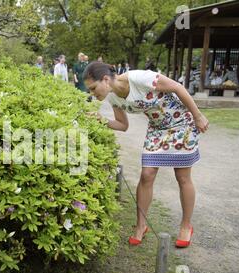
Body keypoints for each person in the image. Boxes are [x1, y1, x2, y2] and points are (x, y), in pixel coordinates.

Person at [84, 62, 209, 248]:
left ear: (105, 79)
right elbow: (122, 125)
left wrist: (198, 116)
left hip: (181, 122)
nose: (92, 93)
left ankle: (185, 226)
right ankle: (141, 226)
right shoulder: (113, 97)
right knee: (146, 174)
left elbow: (177, 87)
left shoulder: (139, 78)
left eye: (93, 88)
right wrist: (101, 120)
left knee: (182, 177)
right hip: (157, 129)